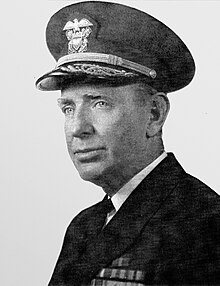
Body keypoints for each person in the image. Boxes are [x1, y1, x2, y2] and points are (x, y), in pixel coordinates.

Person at [36, 1, 220, 285]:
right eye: (68, 108)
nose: (77, 128)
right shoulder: (84, 227)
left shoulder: (204, 223)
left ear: (154, 114)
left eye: (100, 102)